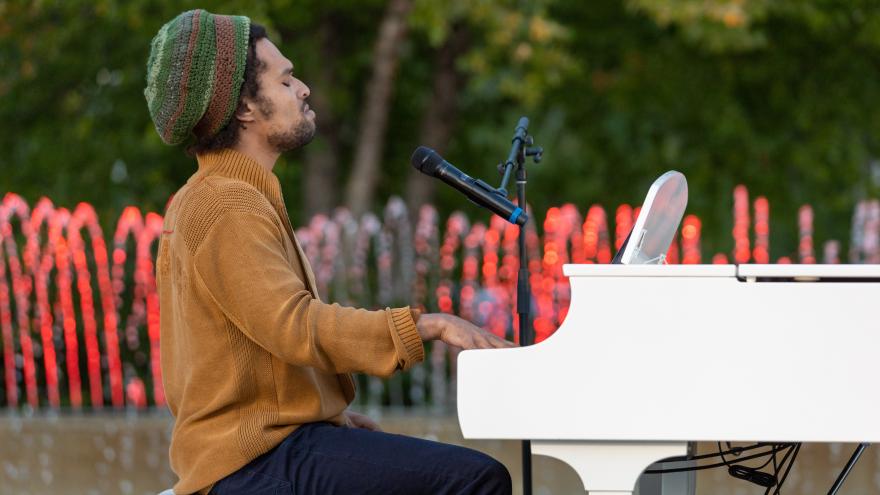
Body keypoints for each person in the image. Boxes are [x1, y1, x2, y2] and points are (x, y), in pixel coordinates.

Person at [145, 9, 515, 495]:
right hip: (253, 466)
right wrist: (427, 325)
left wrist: (327, 419)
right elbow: (295, 326)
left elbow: (254, 352)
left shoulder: (219, 195)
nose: (303, 89)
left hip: (263, 455)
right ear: (244, 110)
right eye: (285, 80)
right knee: (476, 481)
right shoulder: (226, 202)